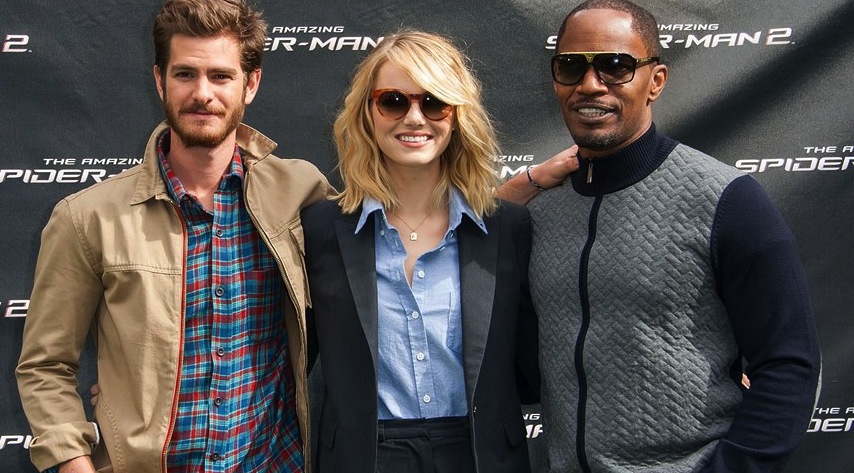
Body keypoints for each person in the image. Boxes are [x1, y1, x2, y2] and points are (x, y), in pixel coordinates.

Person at [499, 0, 822, 471]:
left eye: (615, 66)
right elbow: (527, 371)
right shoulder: (539, 212)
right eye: (571, 67)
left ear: (656, 81)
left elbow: (790, 364)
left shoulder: (726, 199)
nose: (590, 84)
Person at [15, 1, 332, 472]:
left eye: (221, 76)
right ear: (160, 80)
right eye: (185, 74)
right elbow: (46, 365)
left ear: (251, 84)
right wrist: (74, 462)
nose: (202, 93)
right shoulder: (87, 217)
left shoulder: (301, 192)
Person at [300, 31, 540, 473]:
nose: (414, 118)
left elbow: (532, 369)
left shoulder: (507, 228)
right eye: (393, 101)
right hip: (363, 458)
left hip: (481, 456)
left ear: (457, 116)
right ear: (367, 112)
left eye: (434, 103)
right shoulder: (320, 228)